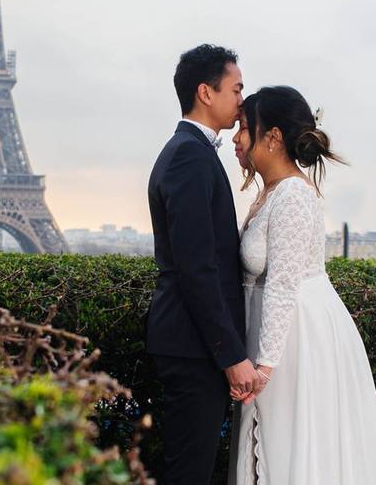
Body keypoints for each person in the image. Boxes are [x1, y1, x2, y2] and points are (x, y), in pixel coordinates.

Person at [228, 85, 376, 484]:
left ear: (272, 138)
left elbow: (284, 284)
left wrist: (265, 368)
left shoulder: (292, 195)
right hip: (278, 335)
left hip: (294, 341)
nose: (236, 139)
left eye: (243, 128)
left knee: (292, 444)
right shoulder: (271, 192)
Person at [145, 44, 265, 484]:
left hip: (190, 342)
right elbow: (198, 267)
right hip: (193, 346)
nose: (240, 98)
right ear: (205, 92)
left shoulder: (189, 152)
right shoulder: (190, 156)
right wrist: (231, 355)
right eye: (236, 88)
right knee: (188, 473)